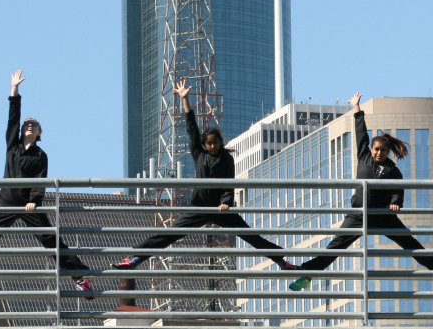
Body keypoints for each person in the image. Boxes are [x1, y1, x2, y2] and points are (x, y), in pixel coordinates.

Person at [112, 79, 298, 271]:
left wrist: (226, 201)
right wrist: (185, 100)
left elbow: (228, 183)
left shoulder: (226, 159)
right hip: (199, 207)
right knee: (167, 235)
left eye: (215, 143)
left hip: (221, 209)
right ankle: (134, 260)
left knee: (251, 237)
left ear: (220, 142)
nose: (211, 146)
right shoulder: (199, 155)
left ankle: (283, 263)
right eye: (208, 143)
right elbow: (192, 128)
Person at [0, 70, 94, 299]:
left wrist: (34, 202)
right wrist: (14, 91)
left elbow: (40, 181)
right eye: (27, 123)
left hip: (29, 205)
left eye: (34, 124)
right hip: (7, 201)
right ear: (22, 131)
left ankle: (80, 278)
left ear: (40, 133)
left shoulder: (41, 155)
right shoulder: (13, 147)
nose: (29, 125)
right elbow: (13, 118)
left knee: (51, 240)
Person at [289, 91, 433, 291]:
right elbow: (360, 132)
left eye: (382, 150)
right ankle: (307, 272)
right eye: (376, 149)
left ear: (387, 151)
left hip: (382, 215)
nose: (378, 153)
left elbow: (398, 191)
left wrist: (396, 203)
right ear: (371, 149)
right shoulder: (364, 157)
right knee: (336, 245)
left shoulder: (393, 170)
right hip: (359, 214)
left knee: (409, 242)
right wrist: (356, 108)